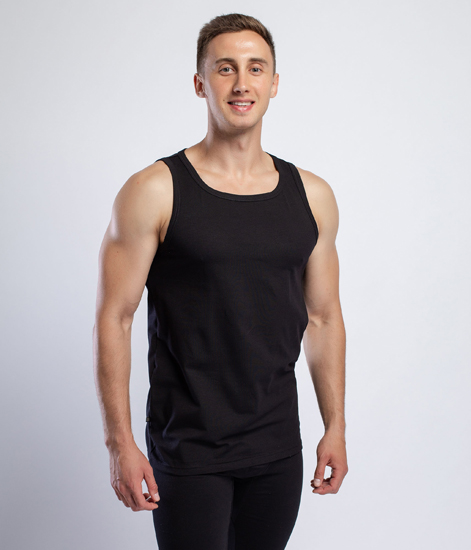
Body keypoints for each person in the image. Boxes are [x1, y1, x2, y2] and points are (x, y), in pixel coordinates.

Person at [93, 12, 347, 550]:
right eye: (225, 68)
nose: (241, 83)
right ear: (200, 83)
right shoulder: (154, 190)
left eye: (256, 68)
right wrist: (119, 443)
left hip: (277, 446)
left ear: (273, 83)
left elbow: (323, 318)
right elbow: (115, 316)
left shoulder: (312, 195)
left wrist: (335, 426)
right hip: (188, 447)